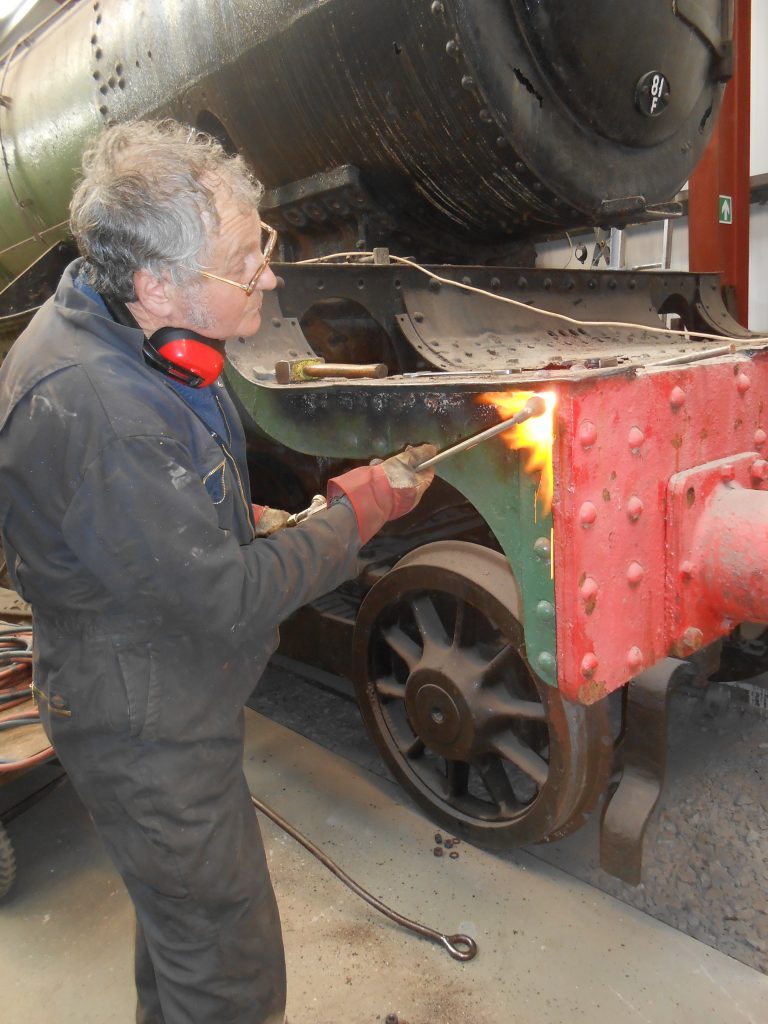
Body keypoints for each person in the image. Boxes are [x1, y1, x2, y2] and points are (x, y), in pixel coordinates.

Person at [0, 120, 436, 1024]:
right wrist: (359, 512)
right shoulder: (98, 405)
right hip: (148, 724)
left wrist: (250, 519)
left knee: (182, 943)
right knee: (229, 978)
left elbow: (160, 522)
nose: (268, 277)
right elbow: (225, 599)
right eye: (247, 260)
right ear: (158, 282)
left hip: (155, 687)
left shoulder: (131, 331)